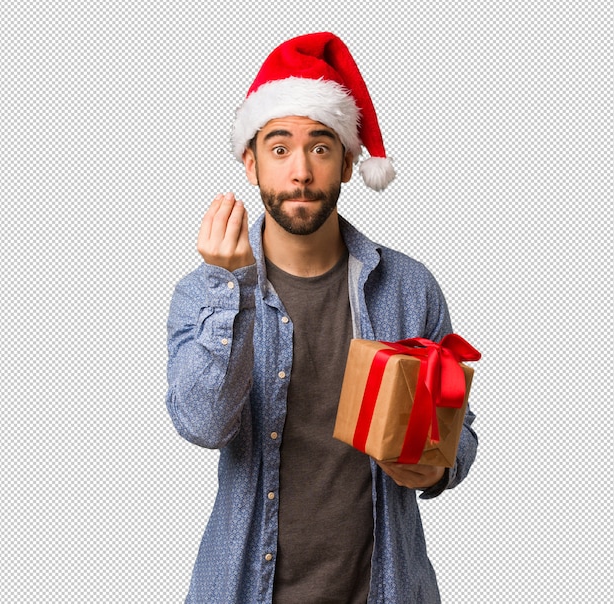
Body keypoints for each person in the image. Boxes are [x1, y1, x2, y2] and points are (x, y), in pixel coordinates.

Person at [166, 32, 477, 603]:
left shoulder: (408, 287)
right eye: (280, 149)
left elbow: (459, 437)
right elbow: (203, 424)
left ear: (348, 163)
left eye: (321, 147)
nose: (301, 172)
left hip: (385, 588)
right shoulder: (204, 293)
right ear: (250, 161)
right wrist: (230, 290)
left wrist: (434, 468)